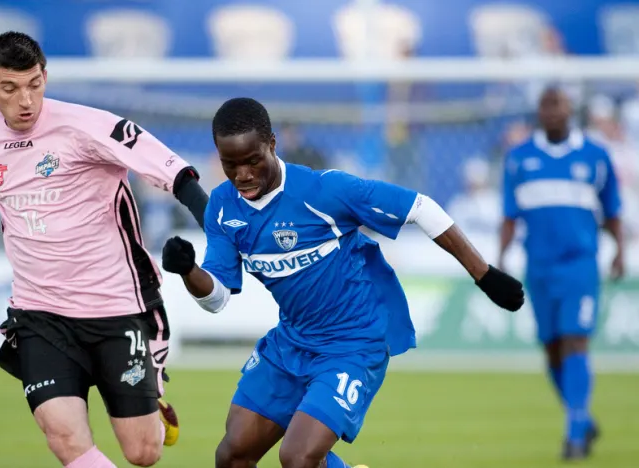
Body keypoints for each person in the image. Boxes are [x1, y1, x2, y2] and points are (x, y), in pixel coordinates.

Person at [0, 31, 208, 468]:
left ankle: (154, 407)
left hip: (117, 306)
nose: (26, 100)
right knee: (63, 436)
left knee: (143, 452)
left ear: (45, 77)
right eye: (10, 88)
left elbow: (167, 167)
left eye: (34, 84)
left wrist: (210, 217)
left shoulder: (86, 125)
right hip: (41, 315)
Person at [160, 97, 525, 468]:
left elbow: (420, 207)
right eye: (230, 164)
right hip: (291, 342)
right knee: (232, 455)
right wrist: (189, 270)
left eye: (252, 160)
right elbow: (217, 297)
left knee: (298, 457)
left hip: (353, 344)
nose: (243, 175)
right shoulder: (223, 207)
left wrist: (484, 274)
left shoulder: (323, 191)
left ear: (272, 144)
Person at [499, 87, 624, 460]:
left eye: (558, 104)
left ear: (570, 109)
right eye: (545, 105)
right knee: (553, 351)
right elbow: (509, 214)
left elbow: (612, 209)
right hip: (538, 266)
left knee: (575, 341)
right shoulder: (518, 158)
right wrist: (500, 258)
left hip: (580, 265)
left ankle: (574, 436)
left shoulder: (595, 156)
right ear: (538, 111)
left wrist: (620, 250)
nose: (552, 111)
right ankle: (582, 419)